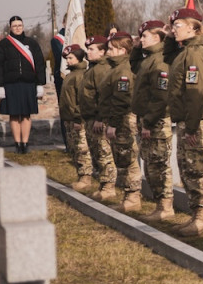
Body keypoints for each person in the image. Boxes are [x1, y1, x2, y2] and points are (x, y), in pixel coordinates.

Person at [167, 7, 203, 237]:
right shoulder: (185, 51)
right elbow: (168, 58)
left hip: (194, 121)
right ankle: (197, 214)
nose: (174, 29)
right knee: (187, 168)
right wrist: (169, 34)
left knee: (197, 168)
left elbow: (196, 91)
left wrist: (193, 126)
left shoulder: (196, 53)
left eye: (178, 26)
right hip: (187, 120)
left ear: (193, 27)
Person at [132, 20, 176, 223]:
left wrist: (149, 122)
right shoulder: (147, 59)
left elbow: (161, 96)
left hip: (156, 121)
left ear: (157, 37)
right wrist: (134, 48)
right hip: (147, 120)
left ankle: (166, 207)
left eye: (145, 36)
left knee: (159, 165)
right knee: (150, 166)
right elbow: (134, 67)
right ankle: (160, 205)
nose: (141, 39)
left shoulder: (159, 61)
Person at [100, 31, 143, 213]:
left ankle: (133, 196)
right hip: (118, 119)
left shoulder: (124, 70)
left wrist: (114, 124)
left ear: (123, 50)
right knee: (122, 158)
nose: (107, 52)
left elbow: (121, 100)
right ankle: (129, 195)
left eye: (111, 48)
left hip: (124, 120)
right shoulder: (115, 68)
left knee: (128, 159)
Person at [0, 16, 46, 153]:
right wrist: (0, 85)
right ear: (10, 27)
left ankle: (25, 144)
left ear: (23, 26)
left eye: (19, 25)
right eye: (14, 26)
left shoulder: (31, 43)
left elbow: (40, 63)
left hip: (28, 83)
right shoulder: (3, 44)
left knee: (26, 115)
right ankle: (17, 144)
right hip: (11, 84)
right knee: (14, 115)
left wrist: (40, 83)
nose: (17, 28)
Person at [76, 35, 115, 195]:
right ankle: (103, 184)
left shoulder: (101, 69)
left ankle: (109, 186)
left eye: (92, 49)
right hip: (91, 117)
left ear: (102, 52)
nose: (88, 52)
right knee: (98, 152)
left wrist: (99, 118)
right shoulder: (93, 68)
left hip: (100, 119)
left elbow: (102, 96)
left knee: (104, 153)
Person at [59, 44, 92, 190]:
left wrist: (78, 118)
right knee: (74, 148)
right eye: (66, 58)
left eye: (70, 58)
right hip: (69, 119)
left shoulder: (80, 75)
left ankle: (86, 178)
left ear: (78, 58)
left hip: (78, 120)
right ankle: (80, 175)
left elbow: (82, 99)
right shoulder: (70, 75)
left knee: (82, 148)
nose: (67, 61)